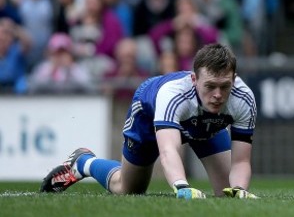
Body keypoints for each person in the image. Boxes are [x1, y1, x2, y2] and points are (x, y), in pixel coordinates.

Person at [40, 43, 259, 199]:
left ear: (234, 79)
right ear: (194, 80)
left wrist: (240, 189)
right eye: (210, 86)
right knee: (127, 188)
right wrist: (181, 186)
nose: (218, 95)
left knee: (228, 194)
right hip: (149, 113)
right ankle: (84, 162)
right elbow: (168, 150)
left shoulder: (244, 98)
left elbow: (241, 161)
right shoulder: (172, 95)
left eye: (225, 86)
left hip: (203, 125)